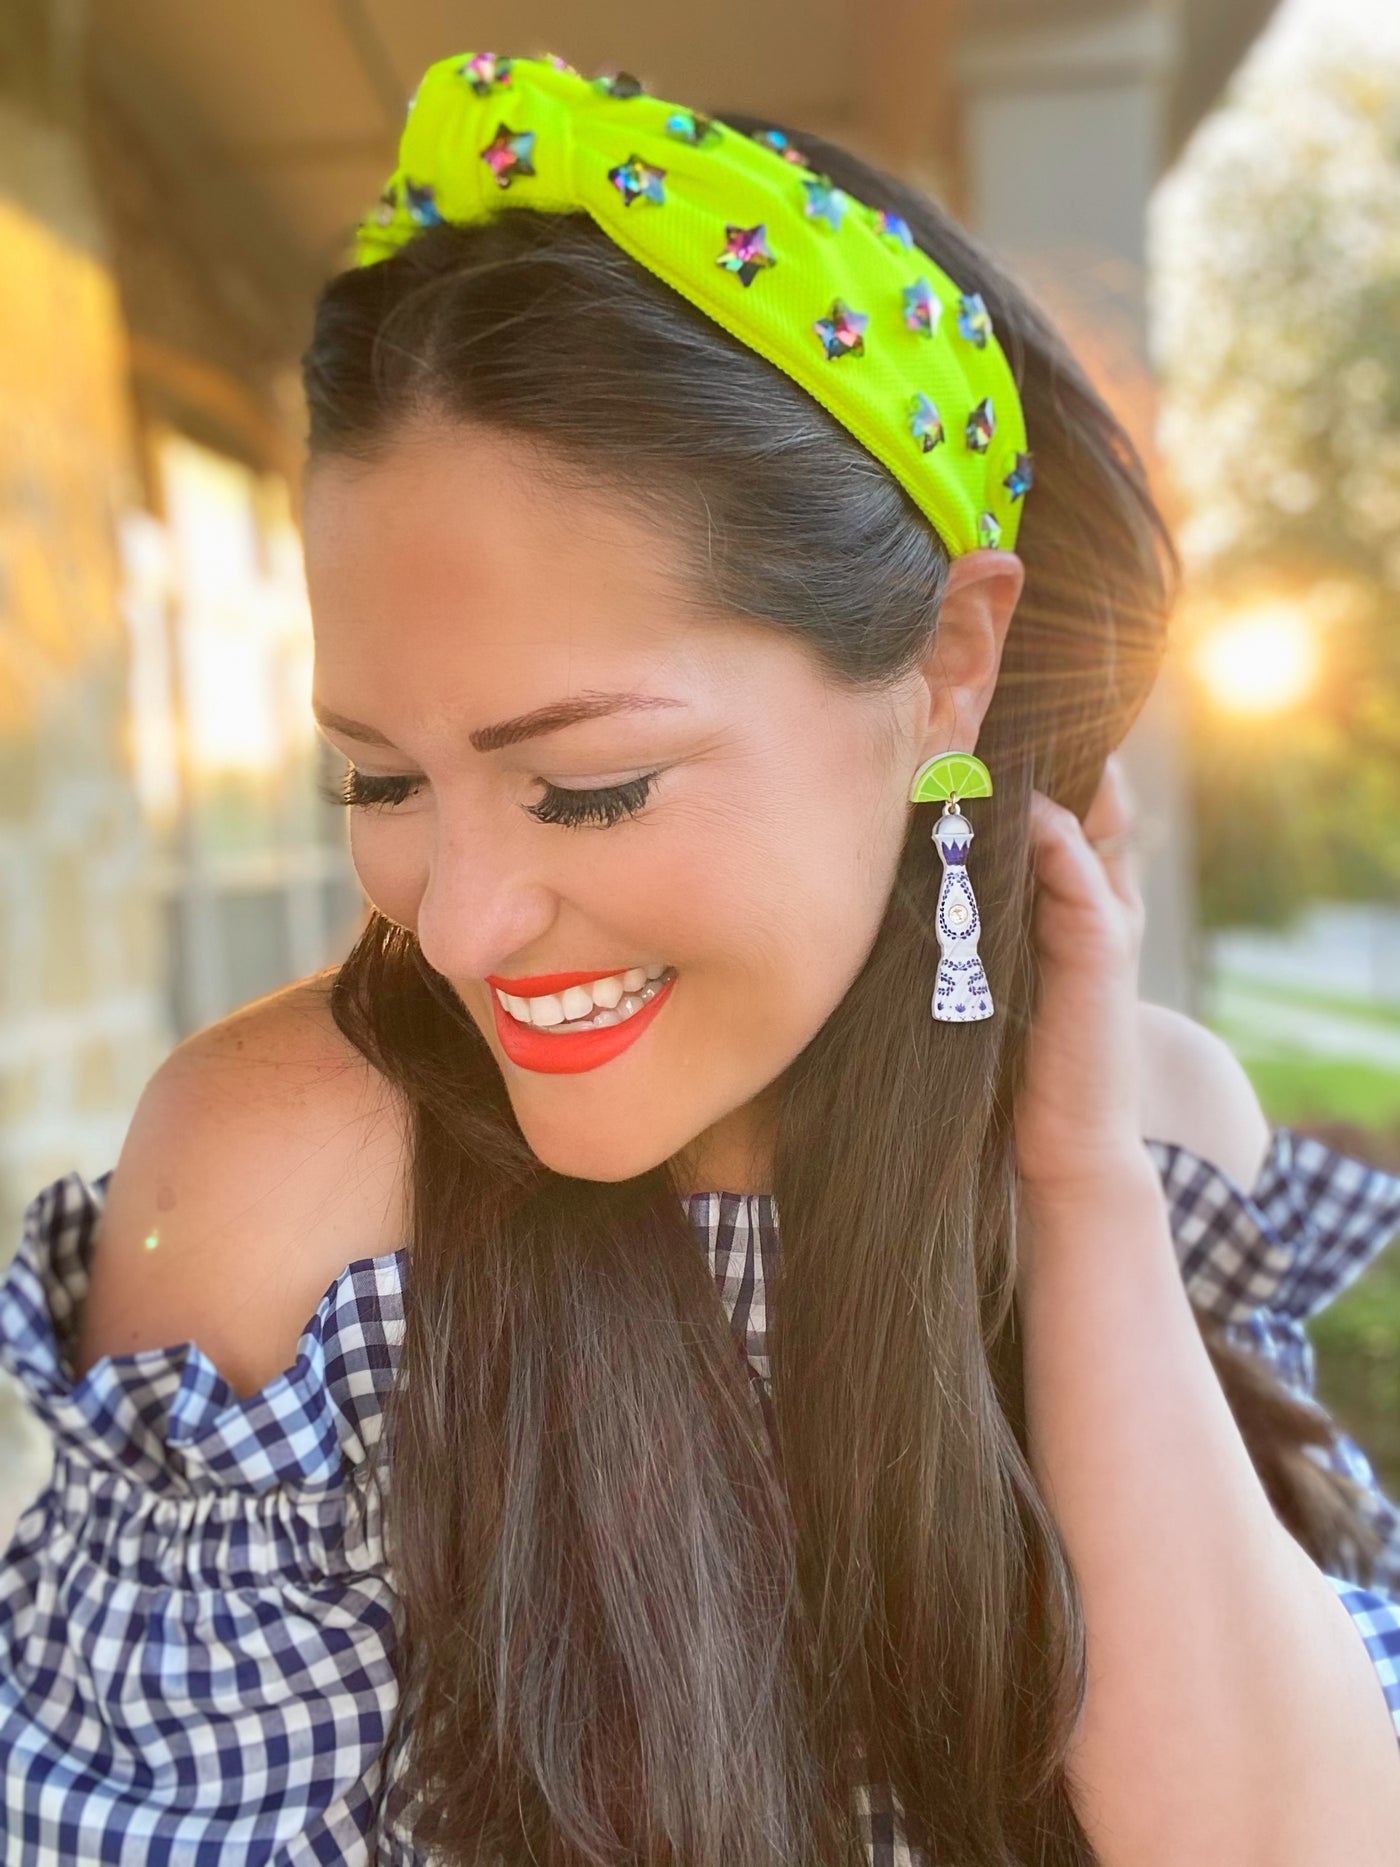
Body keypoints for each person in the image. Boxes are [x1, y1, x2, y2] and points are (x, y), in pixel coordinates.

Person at [2, 48, 1399, 1867]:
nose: (458, 923)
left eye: (585, 787)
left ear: (951, 668)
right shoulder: (290, 1199)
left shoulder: (1150, 1139)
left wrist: (1077, 1197)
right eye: (382, 776)